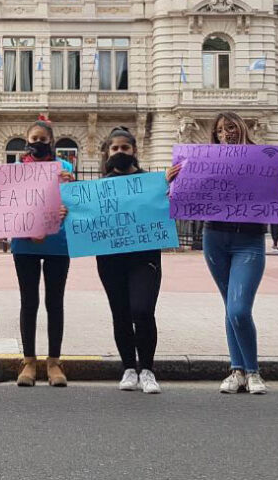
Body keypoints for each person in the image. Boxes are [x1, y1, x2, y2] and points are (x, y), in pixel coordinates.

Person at [191, 112, 269, 395]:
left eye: (232, 127)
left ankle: (253, 371)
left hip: (249, 240)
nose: (227, 133)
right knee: (230, 306)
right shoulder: (207, 161)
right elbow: (189, 194)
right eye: (221, 130)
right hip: (215, 238)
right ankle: (237, 371)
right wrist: (174, 178)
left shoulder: (262, 159)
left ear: (243, 128)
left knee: (239, 309)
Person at [95, 127, 171, 395]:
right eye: (114, 148)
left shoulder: (151, 183)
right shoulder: (97, 188)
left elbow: (168, 208)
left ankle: (147, 369)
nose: (119, 152)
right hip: (110, 260)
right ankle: (129, 367)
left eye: (124, 148)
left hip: (145, 259)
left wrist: (169, 187)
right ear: (107, 153)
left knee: (142, 310)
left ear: (134, 151)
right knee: (120, 313)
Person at [9, 115, 73, 387]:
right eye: (34, 140)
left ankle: (54, 362)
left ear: (51, 142)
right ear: (27, 142)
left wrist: (69, 193)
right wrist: (28, 229)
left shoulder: (66, 168)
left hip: (58, 241)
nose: (38, 143)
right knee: (29, 301)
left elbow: (74, 206)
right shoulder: (16, 170)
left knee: (54, 301)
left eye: (43, 140)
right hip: (25, 243)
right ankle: (29, 362)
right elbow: (9, 208)